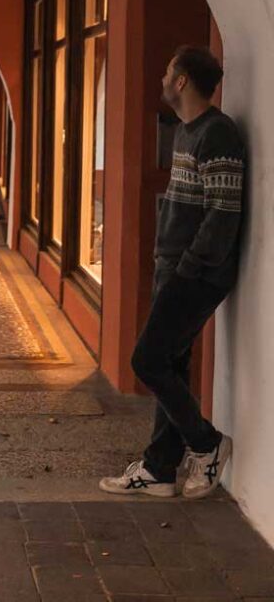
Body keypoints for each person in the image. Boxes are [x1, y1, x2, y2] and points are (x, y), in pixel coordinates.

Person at [100, 45, 244, 500]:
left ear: (181, 81)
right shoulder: (186, 131)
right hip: (174, 267)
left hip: (197, 274)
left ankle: (207, 443)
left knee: (146, 361)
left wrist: (187, 267)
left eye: (167, 72)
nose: (163, 79)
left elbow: (223, 213)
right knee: (170, 365)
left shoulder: (217, 133)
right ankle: (159, 470)